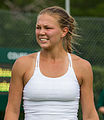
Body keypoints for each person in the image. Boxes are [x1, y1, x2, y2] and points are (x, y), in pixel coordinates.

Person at [4, 6, 99, 120]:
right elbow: (12, 111)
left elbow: (89, 114)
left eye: (47, 28)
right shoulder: (22, 64)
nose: (41, 32)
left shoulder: (82, 66)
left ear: (64, 31)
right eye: (38, 27)